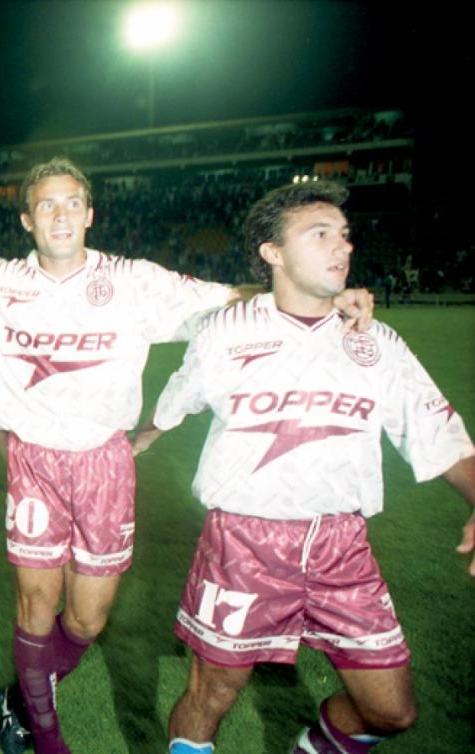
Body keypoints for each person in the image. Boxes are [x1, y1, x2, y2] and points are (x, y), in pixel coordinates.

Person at [0, 158, 375, 754]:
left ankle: (22, 694)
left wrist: (325, 300)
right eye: (45, 205)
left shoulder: (134, 281)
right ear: (25, 219)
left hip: (105, 464)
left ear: (89, 215)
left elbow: (228, 300)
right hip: (34, 462)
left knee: (87, 620)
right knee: (36, 606)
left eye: (70, 204)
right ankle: (44, 733)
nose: (59, 215)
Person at [131, 181, 474, 754]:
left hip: (343, 547)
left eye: (344, 235)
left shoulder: (377, 342)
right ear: (272, 252)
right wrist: (140, 438)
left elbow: (439, 434)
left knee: (390, 711)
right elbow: (178, 400)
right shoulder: (225, 334)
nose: (342, 247)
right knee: (210, 696)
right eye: (320, 235)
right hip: (245, 542)